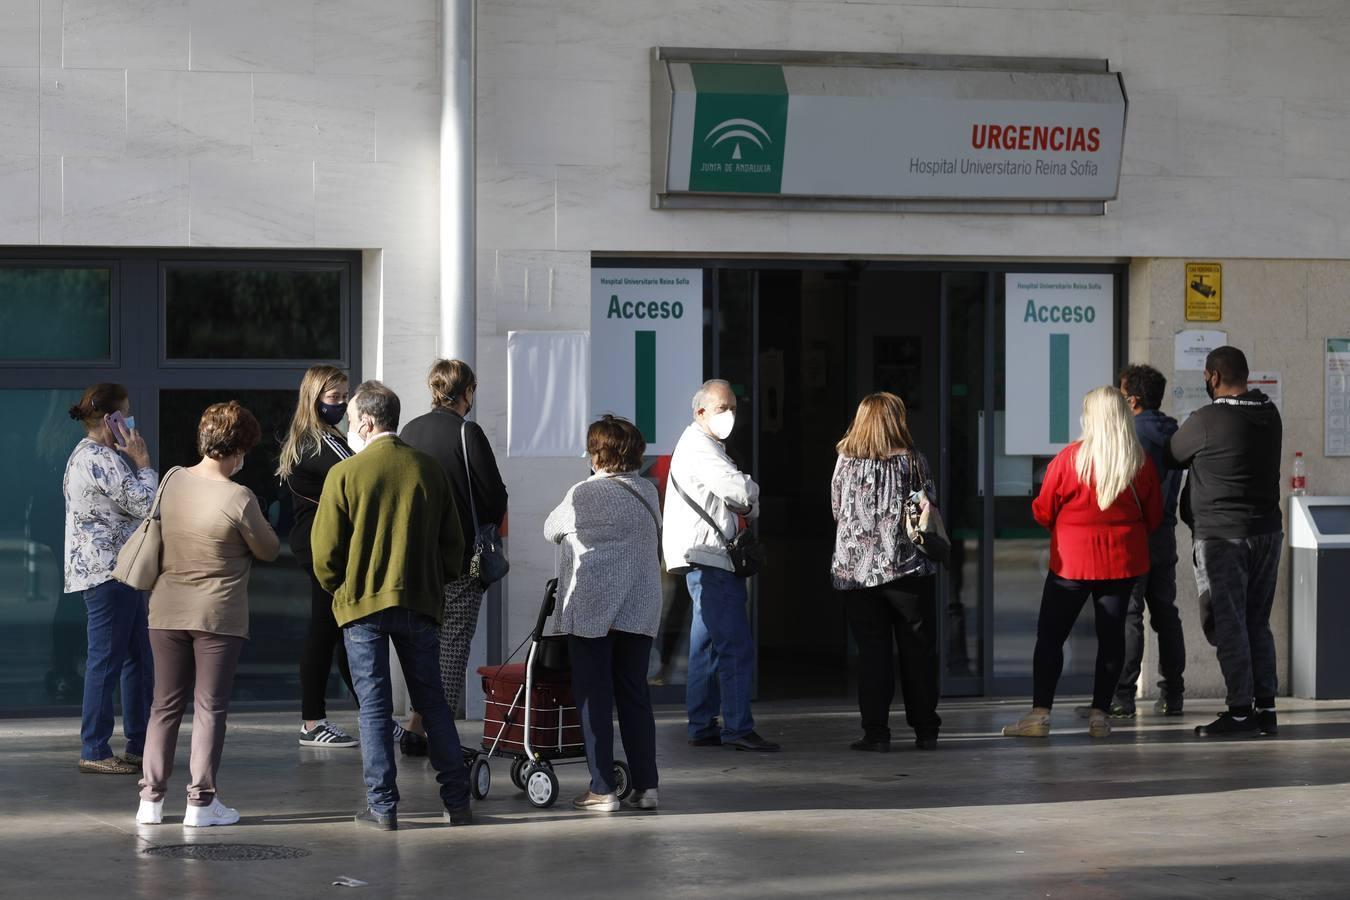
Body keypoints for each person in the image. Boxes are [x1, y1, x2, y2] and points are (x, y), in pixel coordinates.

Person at [311, 380, 473, 830]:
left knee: (375, 707)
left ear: (365, 421)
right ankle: (456, 800)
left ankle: (383, 807)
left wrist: (339, 588)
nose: (348, 426)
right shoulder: (428, 469)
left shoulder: (344, 475)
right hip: (419, 602)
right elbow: (453, 546)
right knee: (433, 704)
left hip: (361, 605)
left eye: (351, 419)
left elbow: (324, 555)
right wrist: (430, 579)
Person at [136, 402, 280, 827]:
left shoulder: (172, 480)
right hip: (217, 614)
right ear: (238, 450)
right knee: (209, 708)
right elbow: (269, 549)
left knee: (163, 706)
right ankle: (200, 804)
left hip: (164, 609)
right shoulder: (239, 497)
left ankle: (151, 802)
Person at [1003, 387, 1162, 740]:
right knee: (1112, 639)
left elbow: (1043, 510)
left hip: (1071, 564)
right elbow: (1153, 517)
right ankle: (1100, 715)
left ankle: (1040, 715)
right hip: (1122, 562)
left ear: (1089, 418)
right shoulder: (1140, 463)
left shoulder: (1068, 459)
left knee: (1050, 638)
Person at [545, 415, 662, 812]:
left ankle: (601, 788)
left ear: (597, 453)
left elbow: (551, 528)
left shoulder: (582, 493)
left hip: (593, 610)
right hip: (639, 608)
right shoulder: (648, 492)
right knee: (634, 696)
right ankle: (647, 787)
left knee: (594, 698)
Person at [1166, 346, 1283, 738]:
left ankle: (1238, 714)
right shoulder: (1269, 412)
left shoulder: (1206, 420)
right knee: (1256, 622)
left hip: (1222, 538)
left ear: (1213, 377)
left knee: (1228, 623)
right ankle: (1265, 710)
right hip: (1267, 532)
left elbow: (1171, 454)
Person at [664, 379, 779, 752]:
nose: (729, 415)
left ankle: (701, 723)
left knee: (706, 646)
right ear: (700, 411)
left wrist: (746, 497)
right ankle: (738, 727)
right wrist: (752, 494)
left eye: (732, 407)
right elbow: (743, 492)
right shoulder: (701, 448)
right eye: (721, 408)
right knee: (734, 646)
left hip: (705, 558)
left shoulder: (704, 446)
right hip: (712, 559)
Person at [830, 393, 942, 752]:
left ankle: (876, 733)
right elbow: (928, 509)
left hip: (858, 574)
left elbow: (836, 508)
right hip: (908, 570)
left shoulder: (845, 462)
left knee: (873, 654)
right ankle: (925, 729)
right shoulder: (914, 461)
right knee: (918, 652)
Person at [400, 359, 508, 725]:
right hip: (460, 558)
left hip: (416, 560)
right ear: (468, 391)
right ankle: (435, 730)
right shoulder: (468, 433)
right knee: (452, 647)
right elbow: (494, 495)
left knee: (422, 645)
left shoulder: (409, 431)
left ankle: (417, 722)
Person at [1081, 365, 1186, 719]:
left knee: (1130, 615)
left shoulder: (1128, 436)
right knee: (1166, 614)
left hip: (1135, 535)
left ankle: (1123, 696)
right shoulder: (1175, 434)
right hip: (1166, 533)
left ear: (1132, 399)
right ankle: (1173, 693)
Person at [63, 383, 158, 775]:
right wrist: (144, 461)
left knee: (138, 658)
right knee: (105, 660)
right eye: (127, 412)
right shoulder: (97, 458)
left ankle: (139, 744)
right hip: (107, 573)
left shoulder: (98, 456)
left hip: (123, 571)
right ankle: (95, 748)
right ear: (111, 419)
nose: (131, 421)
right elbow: (145, 502)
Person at [278, 365, 359, 749]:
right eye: (335, 397)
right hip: (323, 548)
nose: (342, 404)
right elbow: (360, 475)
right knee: (327, 633)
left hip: (321, 545)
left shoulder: (321, 437)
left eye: (345, 396)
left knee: (342, 632)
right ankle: (312, 722)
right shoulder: (319, 443)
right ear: (314, 399)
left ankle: (367, 714)